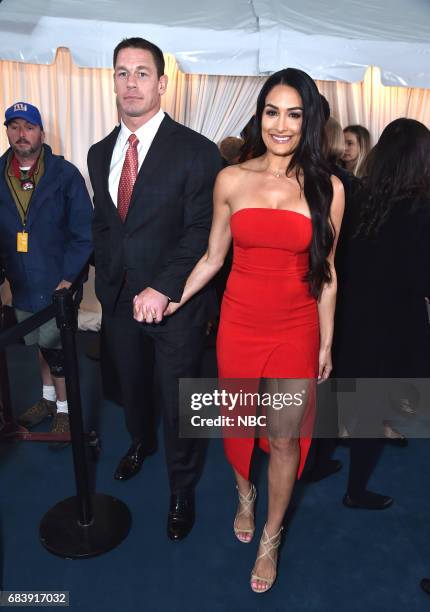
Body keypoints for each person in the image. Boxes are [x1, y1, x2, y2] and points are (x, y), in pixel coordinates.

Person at [143, 68, 344, 591]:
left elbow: (328, 273)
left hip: (295, 328)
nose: (282, 125)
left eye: (294, 114)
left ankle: (271, 539)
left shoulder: (328, 189)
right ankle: (244, 493)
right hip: (239, 322)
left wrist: (325, 340)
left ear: (309, 120)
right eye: (272, 111)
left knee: (282, 439)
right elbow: (213, 257)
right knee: (237, 422)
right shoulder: (231, 179)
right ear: (260, 116)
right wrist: (171, 296)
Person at [87, 37, 222, 541]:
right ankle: (140, 442)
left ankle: (181, 488)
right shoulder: (100, 152)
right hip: (120, 301)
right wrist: (105, 278)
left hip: (177, 307)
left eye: (142, 73)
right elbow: (106, 225)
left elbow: (201, 232)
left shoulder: (197, 151)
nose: (131, 83)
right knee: (132, 388)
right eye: (122, 72)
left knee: (179, 400)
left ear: (162, 83)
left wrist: (164, 290)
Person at [333, 118, 430, 509]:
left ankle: (318, 463)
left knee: (341, 393)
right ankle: (356, 492)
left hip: (349, 315)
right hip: (393, 324)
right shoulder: (423, 208)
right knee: (374, 402)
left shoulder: (356, 195)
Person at [0, 102, 93, 446]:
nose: (21, 134)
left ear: (41, 132)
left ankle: (65, 410)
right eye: (14, 126)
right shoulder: (0, 174)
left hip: (58, 282)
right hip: (22, 281)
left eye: (29, 127)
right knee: (38, 343)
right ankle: (47, 399)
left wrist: (69, 278)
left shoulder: (64, 175)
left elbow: (84, 232)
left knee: (57, 348)